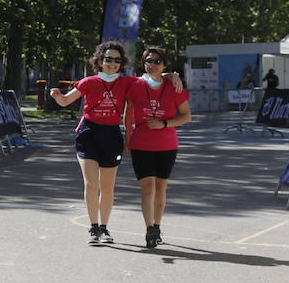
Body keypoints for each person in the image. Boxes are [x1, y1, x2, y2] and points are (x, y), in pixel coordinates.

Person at [49, 41, 136, 244]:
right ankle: (93, 228)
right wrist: (56, 96)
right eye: (108, 59)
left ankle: (104, 228)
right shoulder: (88, 82)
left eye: (117, 60)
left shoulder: (127, 83)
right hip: (88, 133)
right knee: (91, 183)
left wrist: (172, 75)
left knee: (107, 186)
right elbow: (65, 101)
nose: (112, 63)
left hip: (112, 136)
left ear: (121, 63)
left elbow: (152, 79)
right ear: (99, 61)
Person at [124, 47, 191, 249]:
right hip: (141, 143)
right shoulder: (135, 85)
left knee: (161, 187)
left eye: (156, 61)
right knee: (148, 187)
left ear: (164, 64)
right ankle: (150, 229)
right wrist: (127, 138)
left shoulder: (173, 86)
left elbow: (186, 116)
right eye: (148, 61)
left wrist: (164, 124)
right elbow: (128, 114)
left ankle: (157, 225)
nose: (151, 64)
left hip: (167, 144)